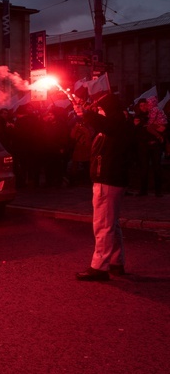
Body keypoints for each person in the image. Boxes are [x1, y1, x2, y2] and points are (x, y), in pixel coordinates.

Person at [73, 93, 133, 281]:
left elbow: (106, 125)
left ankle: (99, 267)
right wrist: (86, 113)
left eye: (101, 109)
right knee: (111, 224)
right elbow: (101, 126)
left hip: (108, 180)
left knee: (103, 226)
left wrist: (86, 113)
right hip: (109, 179)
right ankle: (116, 262)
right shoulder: (116, 125)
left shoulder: (116, 126)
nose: (98, 111)